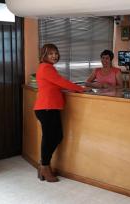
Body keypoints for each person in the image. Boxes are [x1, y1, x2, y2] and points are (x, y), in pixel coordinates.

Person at [34, 43, 88, 182]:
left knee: (54, 136)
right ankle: (45, 166)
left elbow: (56, 84)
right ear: (44, 55)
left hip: (49, 107)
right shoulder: (46, 68)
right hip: (47, 108)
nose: (54, 56)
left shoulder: (47, 68)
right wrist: (80, 88)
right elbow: (61, 82)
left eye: (56, 53)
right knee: (52, 137)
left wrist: (72, 88)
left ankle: (43, 166)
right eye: (51, 53)